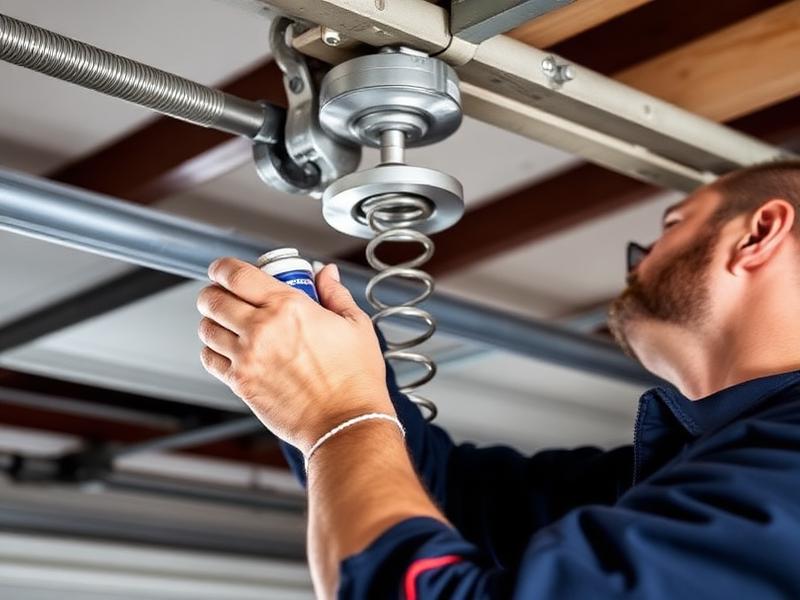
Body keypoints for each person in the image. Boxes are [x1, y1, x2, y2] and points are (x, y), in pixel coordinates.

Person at [196, 160, 800, 599]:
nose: (638, 262)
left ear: (758, 233)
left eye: (673, 224)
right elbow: (450, 495)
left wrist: (338, 420)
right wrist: (338, 374)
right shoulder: (680, 474)